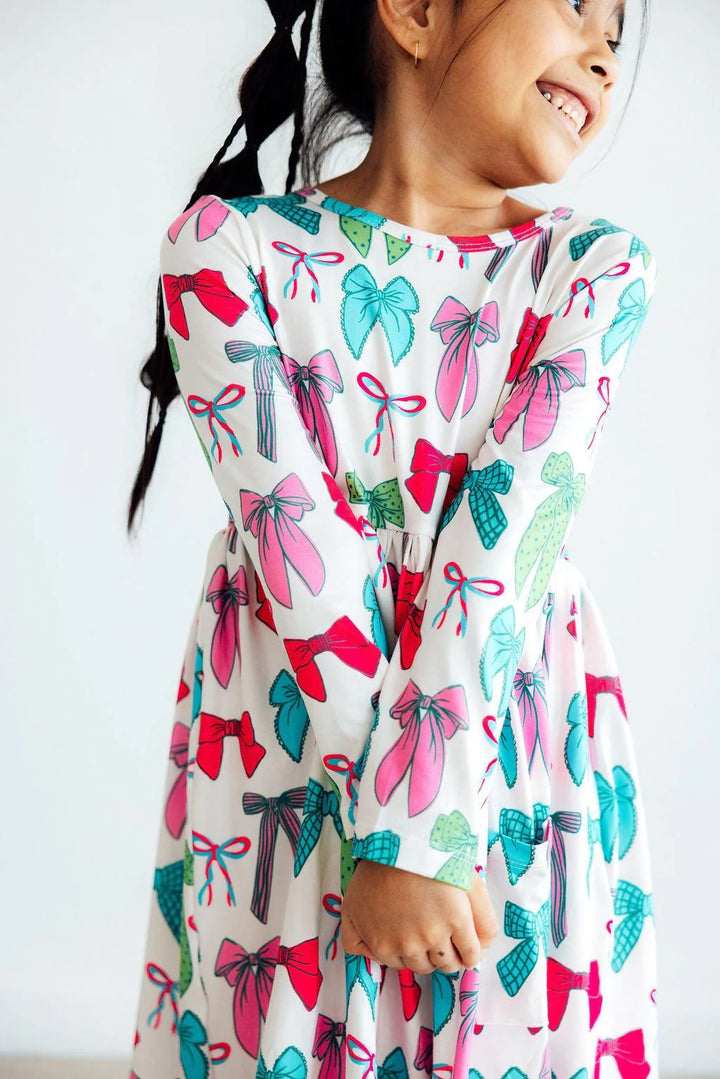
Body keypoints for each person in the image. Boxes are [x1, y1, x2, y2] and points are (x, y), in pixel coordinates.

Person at [126, 0, 660, 1076]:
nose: (606, 54)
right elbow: (293, 549)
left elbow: (504, 544)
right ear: (415, 10)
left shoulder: (592, 268)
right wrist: (396, 839)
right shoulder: (226, 251)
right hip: (295, 761)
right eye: (577, 7)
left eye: (616, 32)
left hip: (501, 755)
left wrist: (421, 835)